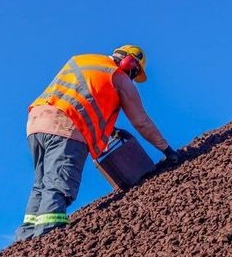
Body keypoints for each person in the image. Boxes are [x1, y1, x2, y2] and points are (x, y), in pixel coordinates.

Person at [15, 45, 178, 242]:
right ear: (130, 62)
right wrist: (167, 150)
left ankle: (26, 238)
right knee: (58, 184)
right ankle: (49, 235)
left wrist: (110, 130)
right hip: (67, 128)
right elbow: (141, 122)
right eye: (135, 72)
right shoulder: (118, 75)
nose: (132, 78)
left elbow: (81, 95)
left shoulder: (84, 60)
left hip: (37, 123)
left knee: (41, 184)